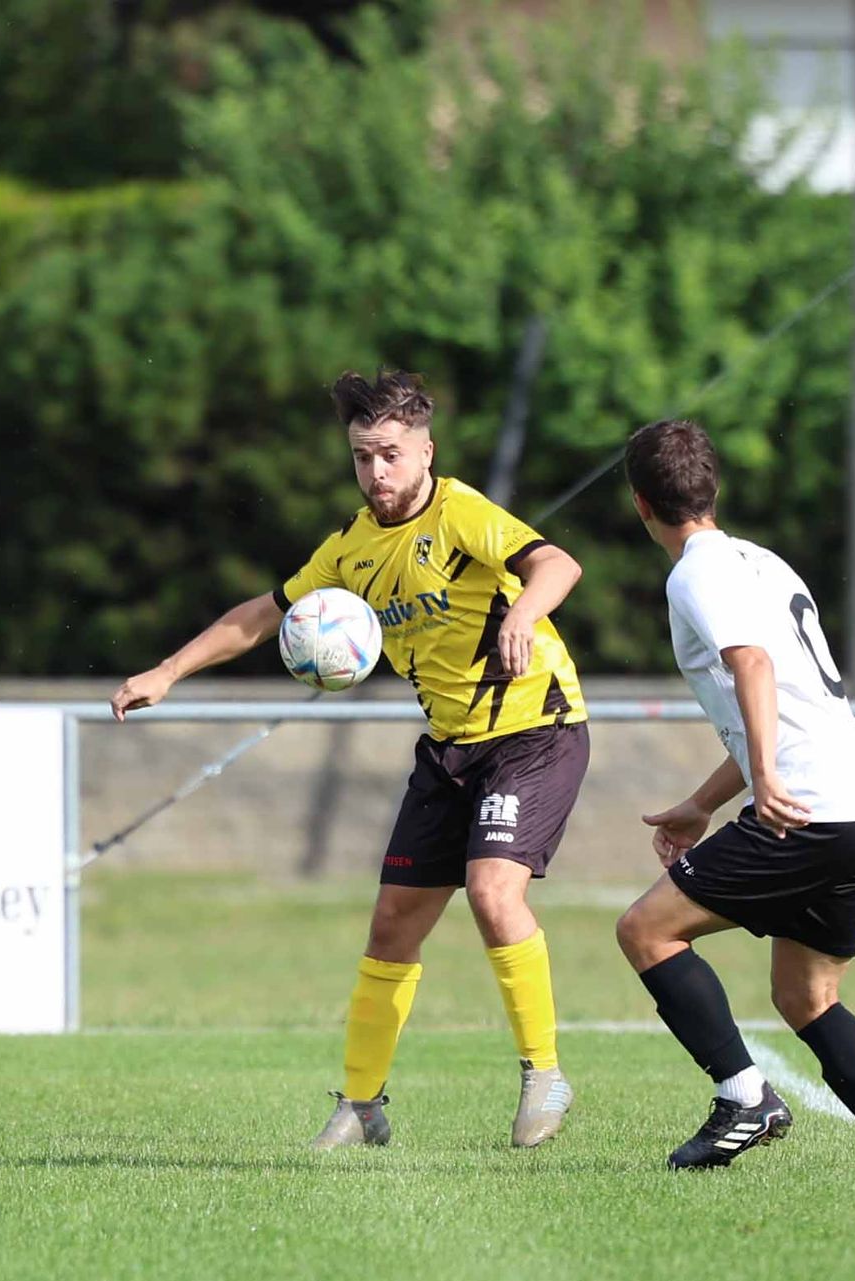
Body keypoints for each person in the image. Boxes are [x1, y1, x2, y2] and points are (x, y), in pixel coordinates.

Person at [110, 369, 590, 1151]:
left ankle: (545, 1071)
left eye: (391, 455)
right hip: (449, 750)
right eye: (363, 457)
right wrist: (167, 671)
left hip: (535, 727)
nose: (377, 473)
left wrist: (525, 614)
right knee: (392, 921)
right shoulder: (352, 547)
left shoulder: (461, 512)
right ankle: (363, 1103)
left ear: (425, 450)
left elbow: (557, 563)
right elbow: (259, 615)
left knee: (491, 890)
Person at [613, 418, 855, 1172]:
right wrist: (705, 799)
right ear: (712, 487)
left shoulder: (695, 571)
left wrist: (763, 780)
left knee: (647, 931)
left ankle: (743, 1097)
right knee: (807, 994)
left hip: (809, 807)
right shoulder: (764, 562)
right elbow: (788, 701)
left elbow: (754, 667)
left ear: (641, 505)